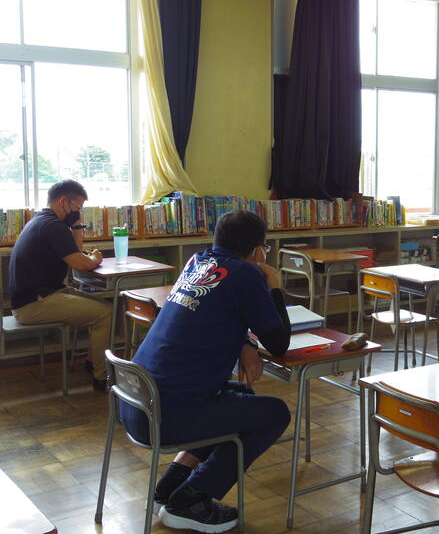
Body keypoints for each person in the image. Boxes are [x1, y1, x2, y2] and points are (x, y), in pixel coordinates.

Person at [120, 211, 291, 533]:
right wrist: (275, 288)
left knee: (242, 399)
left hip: (137, 404)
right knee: (274, 414)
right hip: (166, 417)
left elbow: (217, 312)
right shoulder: (246, 274)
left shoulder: (196, 262)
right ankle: (191, 500)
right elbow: (279, 343)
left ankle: (170, 487)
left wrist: (245, 343)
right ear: (258, 250)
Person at [9, 179, 111, 390]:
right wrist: (95, 258)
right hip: (33, 304)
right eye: (77, 207)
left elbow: (76, 252)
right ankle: (101, 377)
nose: (78, 212)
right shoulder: (53, 226)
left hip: (38, 296)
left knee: (106, 307)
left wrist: (77, 227)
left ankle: (92, 362)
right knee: (104, 314)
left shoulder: (41, 220)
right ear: (64, 201)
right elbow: (80, 263)